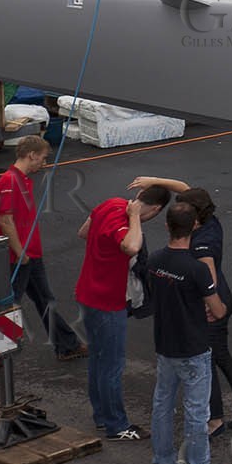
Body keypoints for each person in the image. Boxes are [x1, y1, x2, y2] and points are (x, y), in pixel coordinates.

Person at [129, 178, 232, 438]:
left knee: (206, 359)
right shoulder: (209, 217)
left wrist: (206, 305)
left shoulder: (201, 241)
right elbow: (184, 187)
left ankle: (215, 418)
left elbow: (208, 274)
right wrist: (154, 180)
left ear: (194, 217)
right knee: (220, 353)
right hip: (223, 297)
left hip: (211, 303)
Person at [75, 182, 171, 441]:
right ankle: (117, 425)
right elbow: (131, 247)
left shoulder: (109, 203)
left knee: (97, 358)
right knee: (112, 364)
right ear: (155, 209)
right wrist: (134, 218)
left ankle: (101, 415)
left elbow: (84, 232)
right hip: (108, 301)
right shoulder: (127, 220)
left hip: (87, 293)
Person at [148, 202, 232, 464]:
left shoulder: (155, 260)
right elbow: (218, 310)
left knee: (162, 405)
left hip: (165, 344)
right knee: (197, 413)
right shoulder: (196, 269)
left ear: (166, 226)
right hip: (193, 347)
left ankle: (163, 463)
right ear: (194, 227)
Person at [0, 136, 87, 361]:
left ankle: (66, 345)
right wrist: (20, 252)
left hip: (30, 255)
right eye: (43, 158)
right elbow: (6, 221)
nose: (44, 164)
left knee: (45, 300)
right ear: (31, 155)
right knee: (5, 306)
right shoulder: (9, 181)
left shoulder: (23, 179)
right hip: (18, 258)